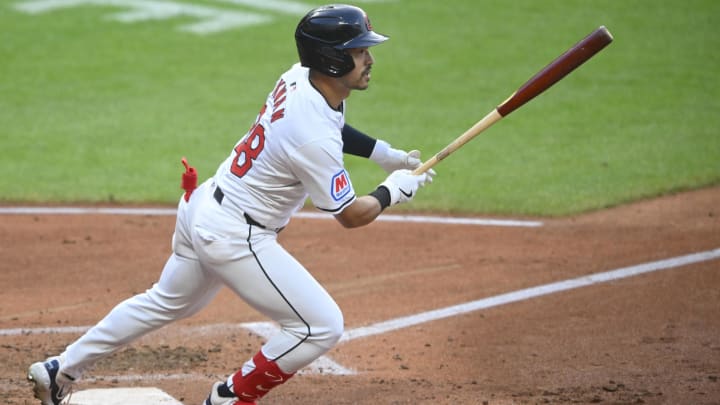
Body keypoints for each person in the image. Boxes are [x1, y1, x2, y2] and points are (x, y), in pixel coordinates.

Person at [27, 4, 434, 405]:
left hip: (205, 206)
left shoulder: (301, 79)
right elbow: (350, 215)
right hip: (236, 235)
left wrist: (384, 154)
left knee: (166, 301)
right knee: (320, 326)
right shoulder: (311, 135)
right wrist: (394, 190)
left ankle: (59, 369)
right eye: (359, 52)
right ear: (330, 60)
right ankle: (230, 397)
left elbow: (332, 125)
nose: (369, 59)